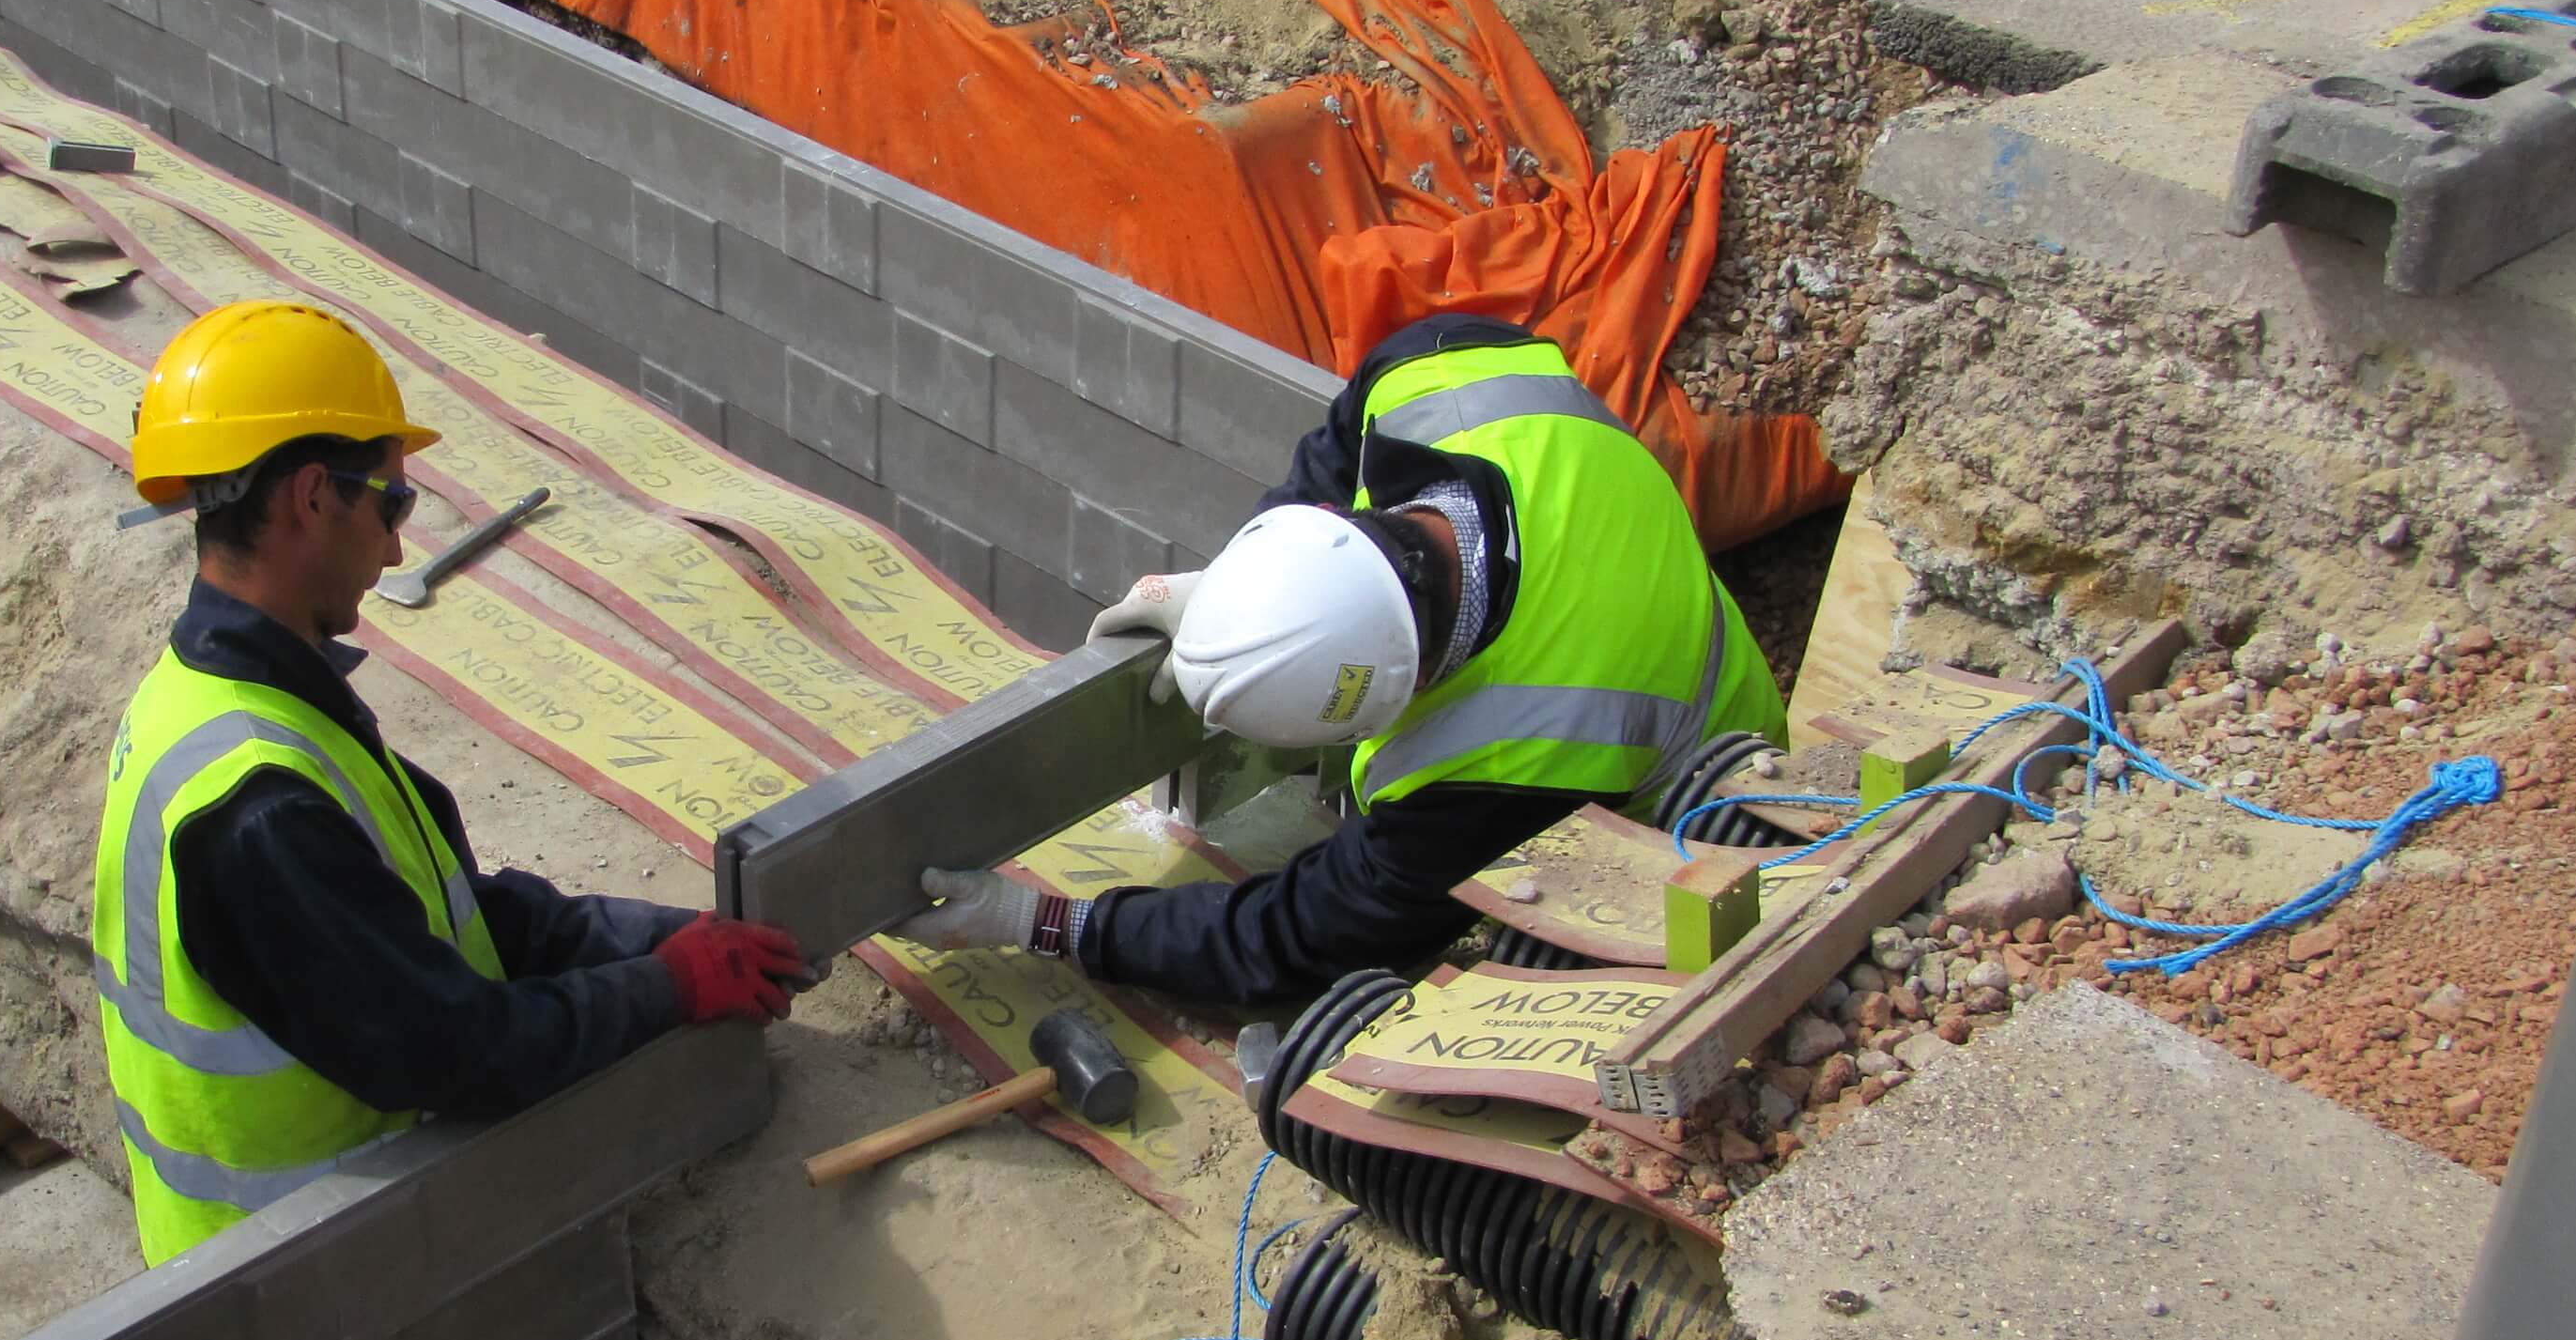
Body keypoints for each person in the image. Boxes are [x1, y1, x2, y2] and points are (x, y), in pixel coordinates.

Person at [94, 300, 810, 1265]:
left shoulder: (212, 696)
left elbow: (429, 919)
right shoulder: (259, 805)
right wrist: (665, 990)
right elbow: (460, 1048)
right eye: (390, 503)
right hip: (299, 1287)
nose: (396, 550)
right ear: (312, 497)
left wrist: (653, 939)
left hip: (299, 1258)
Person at [902, 315, 1787, 1016]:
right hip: (1652, 603)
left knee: (1525, 950)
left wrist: (1047, 920)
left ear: (1384, 709)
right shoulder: (1443, 369)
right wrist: (1243, 590)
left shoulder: (1507, 765)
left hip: (1714, 815)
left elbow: (1303, 935)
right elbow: (1334, 450)